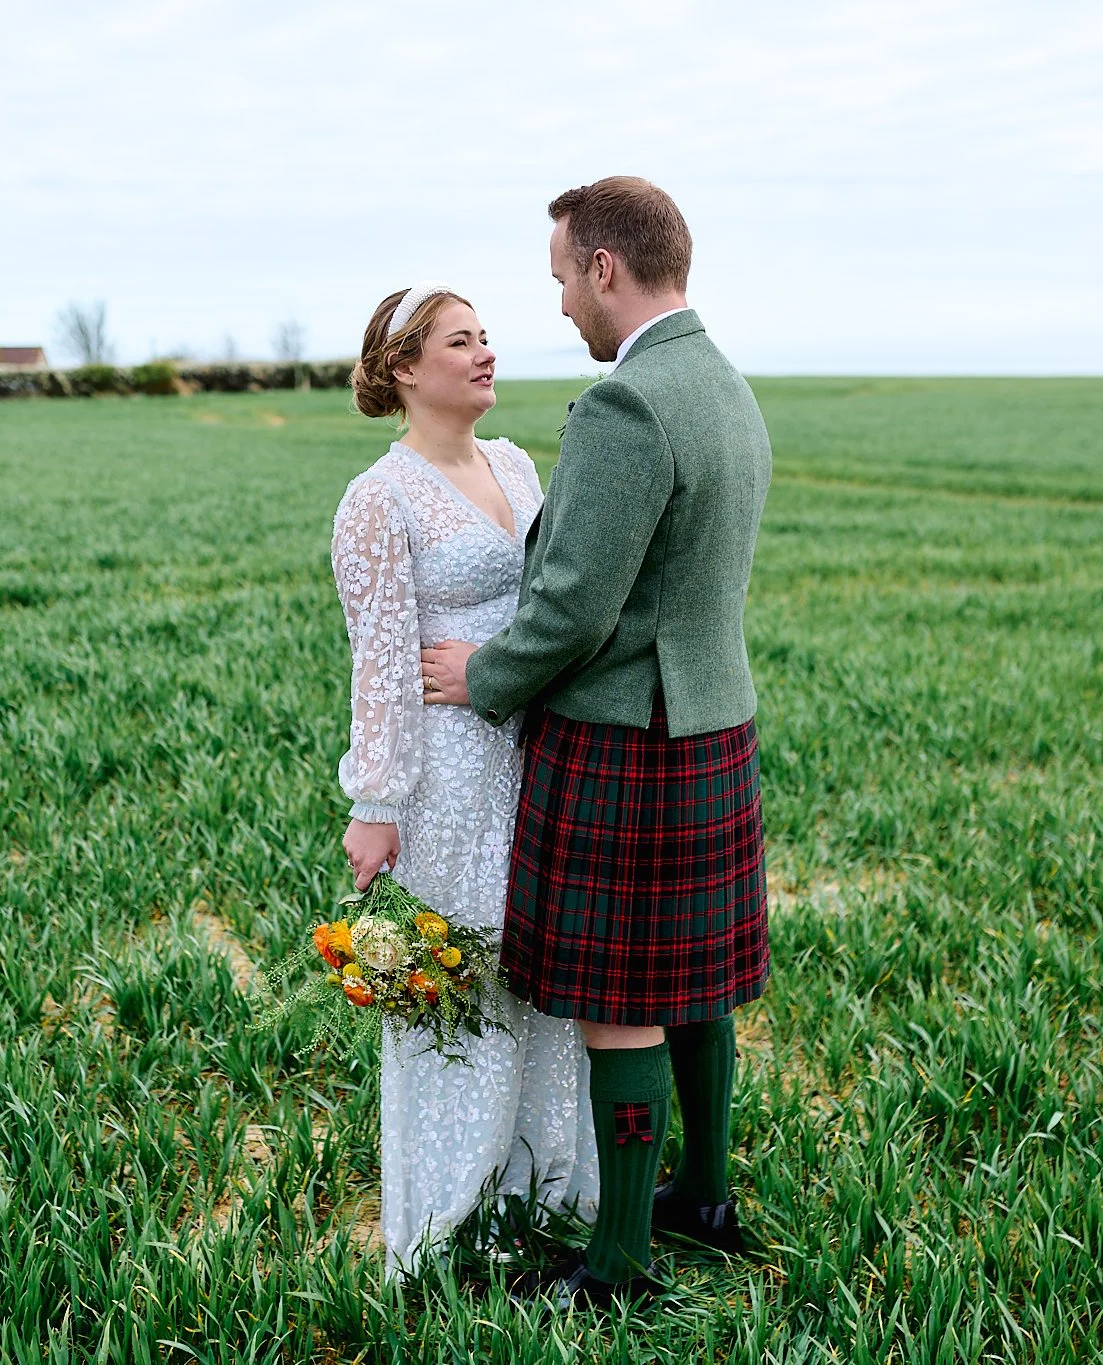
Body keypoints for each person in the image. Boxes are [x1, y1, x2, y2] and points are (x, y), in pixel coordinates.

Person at [420, 176, 773, 1307]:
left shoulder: (628, 406)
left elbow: (572, 604)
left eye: (564, 277)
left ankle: (618, 1262)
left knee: (619, 994)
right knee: (694, 979)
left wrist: (485, 679)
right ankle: (704, 1201)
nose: (563, 304)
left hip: (629, 731)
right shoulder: (720, 384)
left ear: (605, 269)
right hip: (710, 715)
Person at [330, 283, 600, 1279]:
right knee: (465, 987)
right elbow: (381, 664)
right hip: (451, 778)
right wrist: (375, 806)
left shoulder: (516, 463)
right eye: (460, 342)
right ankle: (453, 1227)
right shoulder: (378, 499)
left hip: (540, 753)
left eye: (486, 338)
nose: (485, 354)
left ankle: (545, 1199)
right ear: (404, 367)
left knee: (544, 981)